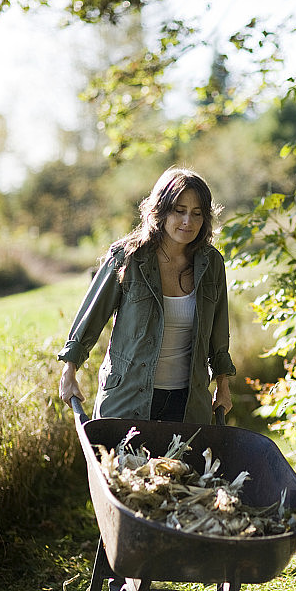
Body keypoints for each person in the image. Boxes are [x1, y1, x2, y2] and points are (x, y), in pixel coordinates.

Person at [58, 166, 235, 424]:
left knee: (181, 467)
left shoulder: (211, 264)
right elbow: (90, 318)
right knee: (126, 465)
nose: (188, 221)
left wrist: (223, 384)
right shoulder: (127, 258)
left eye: (197, 214)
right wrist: (69, 370)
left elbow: (219, 333)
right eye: (179, 211)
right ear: (161, 210)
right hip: (128, 400)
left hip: (186, 405)